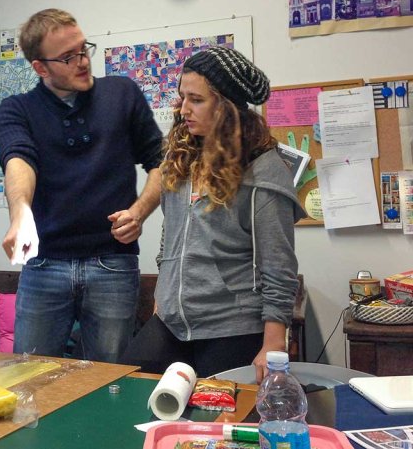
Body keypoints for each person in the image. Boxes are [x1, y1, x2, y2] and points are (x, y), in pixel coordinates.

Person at [122, 46, 305, 382]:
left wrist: (274, 341)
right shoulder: (182, 158)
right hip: (174, 321)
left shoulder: (262, 172)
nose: (183, 109)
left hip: (231, 323)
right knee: (129, 381)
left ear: (227, 106)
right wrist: (164, 292)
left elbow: (279, 265)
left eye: (196, 99)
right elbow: (172, 233)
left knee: (217, 421)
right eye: (182, 97)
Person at [0, 8, 164, 363]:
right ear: (41, 67)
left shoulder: (122, 94)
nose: (83, 62)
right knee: (28, 377)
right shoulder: (17, 110)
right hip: (44, 265)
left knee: (110, 381)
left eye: (83, 49)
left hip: (112, 265)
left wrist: (139, 212)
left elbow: (162, 163)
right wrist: (20, 212)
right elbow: (19, 160)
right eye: (68, 57)